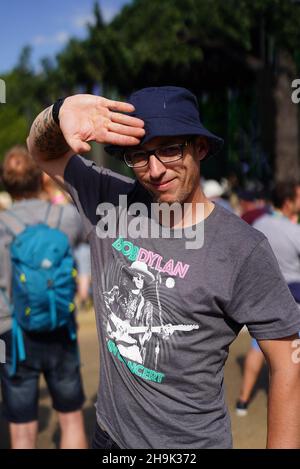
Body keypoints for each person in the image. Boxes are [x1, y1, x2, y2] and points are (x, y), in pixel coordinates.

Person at [27, 87, 300, 449]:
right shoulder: (109, 201)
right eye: (139, 156)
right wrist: (58, 112)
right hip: (109, 440)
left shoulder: (242, 249)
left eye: (170, 149)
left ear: (200, 147)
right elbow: (40, 150)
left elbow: (288, 362)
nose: (154, 171)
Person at [0, 146, 87, 449]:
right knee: (72, 419)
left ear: (5, 183)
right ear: (41, 179)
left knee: (22, 431)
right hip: (60, 324)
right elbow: (85, 243)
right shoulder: (65, 217)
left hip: (12, 334)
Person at [236, 181, 300, 415]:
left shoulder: (261, 223)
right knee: (289, 360)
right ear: (288, 201)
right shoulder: (295, 232)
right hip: (293, 302)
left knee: (256, 349)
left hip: (264, 297)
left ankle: (242, 401)